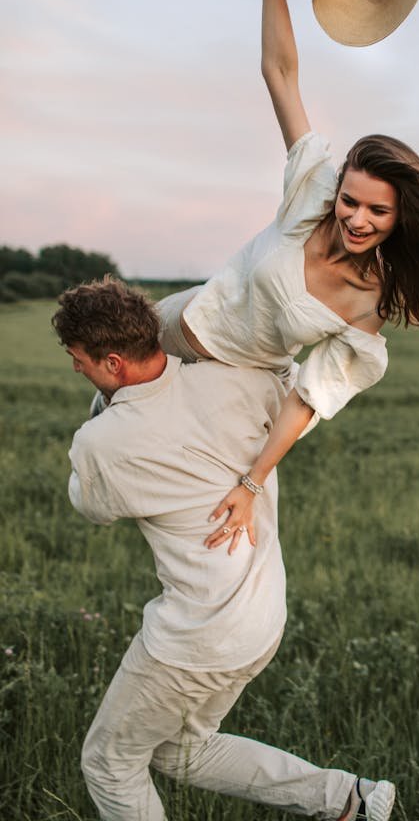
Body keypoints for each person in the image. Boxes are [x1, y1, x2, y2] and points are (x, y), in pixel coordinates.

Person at [155, 0, 419, 555]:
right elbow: (279, 70)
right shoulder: (312, 189)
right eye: (351, 201)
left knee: (194, 512)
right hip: (182, 318)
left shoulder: (368, 304)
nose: (358, 219)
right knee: (103, 388)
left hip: (239, 383)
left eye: (377, 212)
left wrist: (254, 480)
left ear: (399, 217)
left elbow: (307, 397)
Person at [52, 277, 396, 821]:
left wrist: (101, 408)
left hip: (196, 636)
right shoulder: (233, 380)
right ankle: (346, 799)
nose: (76, 368)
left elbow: (90, 506)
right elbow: (286, 389)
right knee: (182, 750)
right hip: (261, 621)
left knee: (109, 762)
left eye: (79, 359)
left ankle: (343, 800)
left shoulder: (102, 442)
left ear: (113, 363)